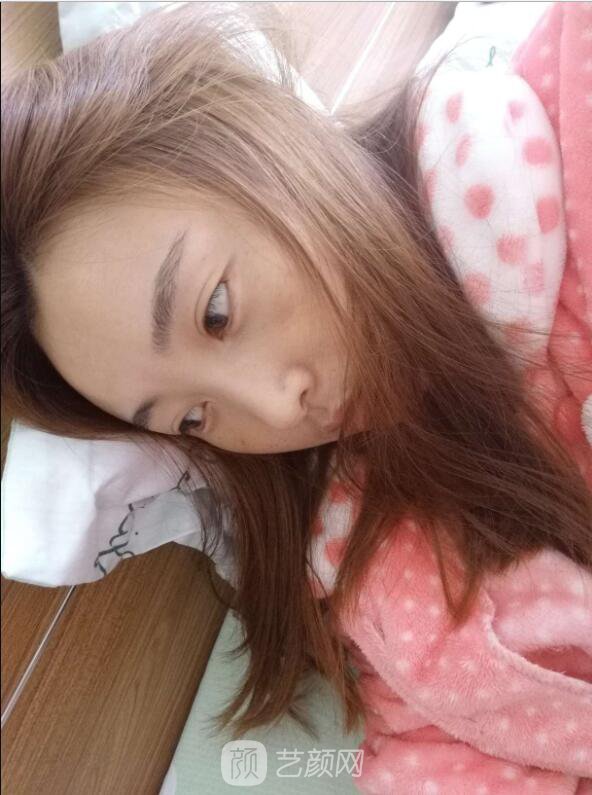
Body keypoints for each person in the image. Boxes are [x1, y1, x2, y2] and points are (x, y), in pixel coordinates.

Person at [1, 2, 590, 791]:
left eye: (216, 312)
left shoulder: (566, 106)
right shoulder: (381, 565)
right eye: (192, 417)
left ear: (268, 145)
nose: (277, 411)